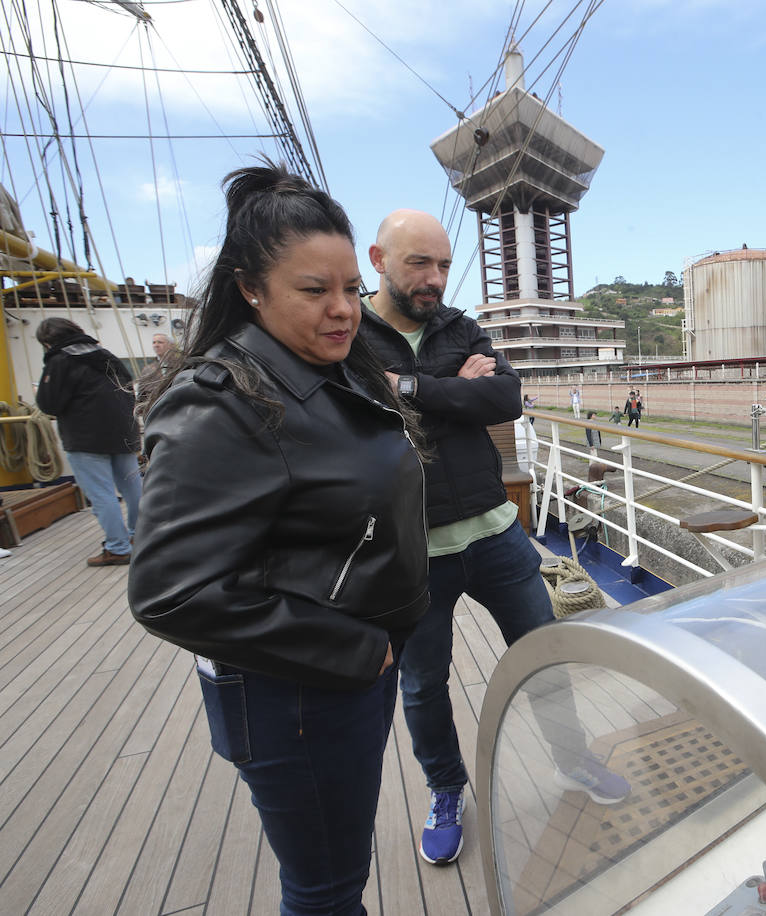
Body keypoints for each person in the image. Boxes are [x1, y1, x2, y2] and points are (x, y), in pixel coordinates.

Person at [127, 164, 430, 916]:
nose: (343, 311)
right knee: (325, 890)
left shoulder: (329, 370)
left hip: (347, 671)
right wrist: (359, 649)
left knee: (335, 873)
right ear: (251, 290)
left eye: (352, 290)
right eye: (313, 291)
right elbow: (171, 592)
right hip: (299, 691)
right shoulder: (222, 406)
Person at [356, 209, 628, 867]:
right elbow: (360, 408)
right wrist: (454, 392)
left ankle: (572, 759)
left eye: (444, 265)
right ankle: (446, 790)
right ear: (377, 259)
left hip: (497, 532)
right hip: (413, 550)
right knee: (422, 685)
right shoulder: (351, 335)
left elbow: (505, 400)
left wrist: (411, 389)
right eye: (418, 263)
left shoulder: (459, 325)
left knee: (542, 655)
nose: (434, 278)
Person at [34, 317, 142, 566]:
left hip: (85, 438)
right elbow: (129, 390)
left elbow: (49, 403)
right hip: (123, 433)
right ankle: (140, 536)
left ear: (48, 342)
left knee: (102, 493)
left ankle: (118, 547)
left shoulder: (59, 361)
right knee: (133, 486)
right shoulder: (106, 355)